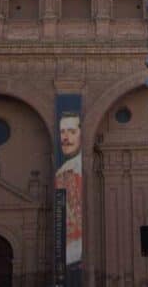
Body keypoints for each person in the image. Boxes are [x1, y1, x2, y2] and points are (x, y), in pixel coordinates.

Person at [55, 112, 82, 284]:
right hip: (70, 254)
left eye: (71, 131)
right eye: (63, 132)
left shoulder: (78, 170)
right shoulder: (61, 172)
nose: (66, 137)